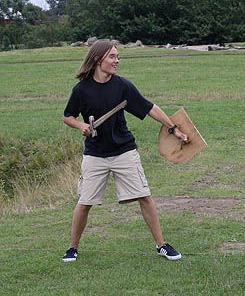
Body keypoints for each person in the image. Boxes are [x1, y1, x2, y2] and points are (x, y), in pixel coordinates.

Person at [62, 39, 188, 262]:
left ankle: (162, 245)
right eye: (112, 56)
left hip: (124, 151)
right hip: (95, 154)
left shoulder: (122, 86)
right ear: (97, 59)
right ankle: (72, 248)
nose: (117, 61)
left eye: (118, 56)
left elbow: (150, 108)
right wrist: (81, 125)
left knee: (144, 197)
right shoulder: (81, 90)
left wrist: (173, 128)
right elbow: (67, 116)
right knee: (84, 202)